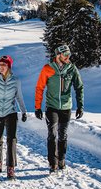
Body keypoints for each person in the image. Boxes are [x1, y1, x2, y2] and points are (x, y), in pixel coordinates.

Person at [34, 44, 84, 173]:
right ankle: (53, 163)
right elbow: (40, 88)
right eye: (65, 55)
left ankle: (61, 159)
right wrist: (37, 107)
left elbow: (79, 87)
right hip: (52, 107)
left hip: (66, 107)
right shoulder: (47, 69)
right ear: (58, 55)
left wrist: (80, 106)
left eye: (69, 55)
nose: (68, 57)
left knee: (63, 135)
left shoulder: (72, 69)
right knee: (52, 134)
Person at [0, 55, 28, 180]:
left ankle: (11, 168)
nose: (1, 67)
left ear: (9, 66)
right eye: (0, 65)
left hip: (11, 112)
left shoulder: (16, 81)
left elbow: (19, 97)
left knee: (12, 139)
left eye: (4, 65)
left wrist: (24, 111)